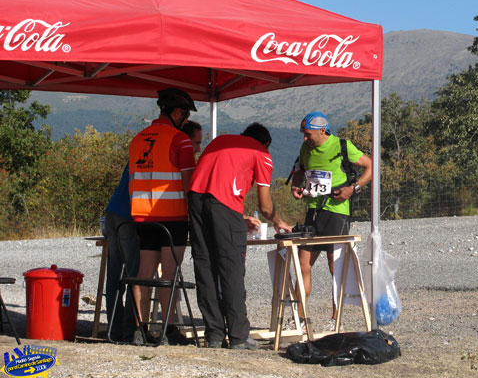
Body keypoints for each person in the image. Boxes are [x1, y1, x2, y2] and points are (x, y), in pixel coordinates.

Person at [187, 122, 292, 349]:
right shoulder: (260, 153)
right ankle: (238, 336)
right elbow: (265, 206)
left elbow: (213, 188)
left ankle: (214, 334)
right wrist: (279, 222)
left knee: (205, 266)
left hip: (195, 201)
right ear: (266, 144)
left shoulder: (220, 141)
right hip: (224, 206)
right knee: (231, 267)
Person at [290, 111, 372, 331]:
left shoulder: (342, 146)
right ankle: (299, 318)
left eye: (308, 135)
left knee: (334, 266)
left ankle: (335, 319)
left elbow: (370, 166)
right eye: (303, 135)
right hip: (313, 210)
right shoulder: (305, 148)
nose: (305, 139)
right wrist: (296, 187)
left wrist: (352, 189)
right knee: (302, 264)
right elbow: (300, 171)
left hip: (337, 210)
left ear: (322, 130)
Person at [128, 88, 197, 345]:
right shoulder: (180, 140)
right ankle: (168, 330)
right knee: (169, 273)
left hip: (143, 216)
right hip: (173, 215)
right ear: (176, 112)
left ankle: (139, 329)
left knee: (144, 272)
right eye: (186, 115)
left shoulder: (137, 140)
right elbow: (189, 183)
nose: (187, 120)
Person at [104, 163, 138, 343]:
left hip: (113, 211)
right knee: (135, 276)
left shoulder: (136, 155)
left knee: (114, 278)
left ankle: (113, 330)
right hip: (129, 216)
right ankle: (130, 331)